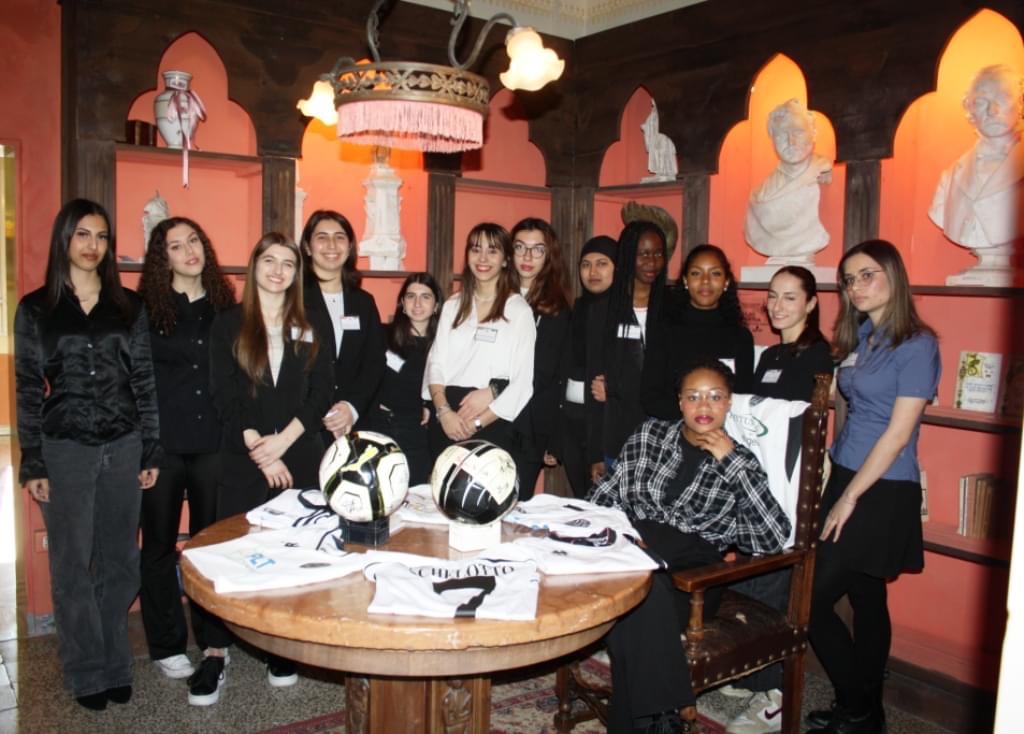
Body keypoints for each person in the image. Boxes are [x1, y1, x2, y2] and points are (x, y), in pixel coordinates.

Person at [589, 358, 791, 734]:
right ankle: (660, 720)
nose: (703, 406)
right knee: (639, 592)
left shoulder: (742, 462)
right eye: (693, 396)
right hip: (632, 553)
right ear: (680, 402)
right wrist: (607, 533)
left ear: (728, 403)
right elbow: (604, 497)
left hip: (694, 577)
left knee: (638, 597)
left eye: (714, 396)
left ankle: (659, 719)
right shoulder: (649, 435)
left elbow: (772, 536)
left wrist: (731, 461)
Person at [15, 199, 161, 710]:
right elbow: (27, 387)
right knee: (73, 565)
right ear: (64, 240)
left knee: (121, 563)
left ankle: (116, 663)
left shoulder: (129, 307)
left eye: (101, 236)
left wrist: (150, 449)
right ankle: (84, 669)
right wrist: (33, 458)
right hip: (65, 451)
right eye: (82, 234)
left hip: (123, 446)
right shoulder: (36, 308)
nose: (92, 245)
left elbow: (144, 382)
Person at [189, 232, 334, 706]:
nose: (278, 271)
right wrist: (259, 448)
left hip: (300, 456)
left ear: (297, 273)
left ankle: (280, 647)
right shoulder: (228, 323)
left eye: (287, 263)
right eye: (269, 261)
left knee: (292, 553)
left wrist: (283, 443)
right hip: (243, 456)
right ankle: (215, 651)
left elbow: (322, 391)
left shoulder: (311, 324)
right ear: (254, 267)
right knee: (231, 551)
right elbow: (223, 394)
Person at [807, 240, 940, 734]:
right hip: (847, 472)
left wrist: (849, 497)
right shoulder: (865, 335)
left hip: (880, 486)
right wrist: (835, 476)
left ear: (893, 275)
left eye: (867, 275)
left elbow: (898, 433)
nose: (856, 287)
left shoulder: (918, 344)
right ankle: (869, 713)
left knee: (811, 600)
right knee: (867, 596)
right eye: (849, 279)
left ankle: (856, 704)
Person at [722, 265, 833, 734]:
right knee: (751, 578)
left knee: (775, 585)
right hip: (758, 482)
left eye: (790, 297)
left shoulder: (819, 356)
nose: (778, 305)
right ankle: (752, 671)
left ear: (811, 303)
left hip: (791, 487)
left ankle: (776, 694)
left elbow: (805, 423)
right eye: (773, 295)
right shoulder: (770, 354)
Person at [137, 217, 235, 681]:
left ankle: (214, 640)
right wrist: (144, 447)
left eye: (193, 240)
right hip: (164, 446)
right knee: (158, 545)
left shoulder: (225, 307)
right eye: (175, 246)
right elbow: (137, 382)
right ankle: (166, 643)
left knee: (209, 543)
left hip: (214, 441)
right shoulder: (145, 310)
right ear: (164, 259)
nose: (189, 250)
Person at [424, 223, 536, 480]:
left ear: (506, 260)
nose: (482, 258)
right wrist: (444, 412)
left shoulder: (518, 311)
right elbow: (436, 364)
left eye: (492, 251)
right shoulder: (452, 305)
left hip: (492, 422)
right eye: (476, 249)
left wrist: (476, 424)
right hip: (447, 419)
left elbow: (522, 383)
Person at [928, 65, 1023, 285]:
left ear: (1021, 103)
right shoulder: (949, 177)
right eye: (981, 101)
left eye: (1003, 97)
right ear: (970, 109)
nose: (993, 110)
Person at [299, 210, 386, 440]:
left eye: (339, 237)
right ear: (307, 247)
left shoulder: (363, 302)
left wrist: (351, 407)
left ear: (349, 247)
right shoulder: (292, 300)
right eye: (322, 237)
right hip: (302, 425)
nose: (331, 245)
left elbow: (374, 362)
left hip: (354, 422)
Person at [643, 244, 754, 419]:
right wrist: (694, 423)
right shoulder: (664, 331)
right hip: (673, 427)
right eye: (696, 273)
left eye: (715, 273)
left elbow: (742, 396)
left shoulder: (741, 337)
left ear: (726, 282)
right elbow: (651, 397)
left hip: (724, 429)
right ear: (685, 281)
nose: (705, 281)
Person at [596, 220, 668, 475]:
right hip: (619, 432)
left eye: (658, 254)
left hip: (664, 431)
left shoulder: (673, 306)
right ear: (628, 255)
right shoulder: (606, 308)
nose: (652, 262)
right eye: (643, 254)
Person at [509, 218, 572, 498]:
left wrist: (553, 439)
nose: (527, 256)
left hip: (531, 424)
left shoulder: (556, 307)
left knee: (515, 501)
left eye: (537, 249)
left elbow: (550, 374)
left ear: (549, 256)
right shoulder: (495, 296)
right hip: (489, 416)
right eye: (520, 247)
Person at [372, 273, 443, 485]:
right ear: (402, 303)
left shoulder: (443, 345)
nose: (417, 303)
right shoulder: (382, 335)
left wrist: (429, 405)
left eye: (425, 297)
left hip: (417, 436)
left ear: (436, 305)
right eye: (411, 296)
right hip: (380, 429)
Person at [743, 99, 832, 262]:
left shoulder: (819, 169)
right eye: (781, 134)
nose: (791, 141)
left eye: (798, 131)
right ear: (772, 139)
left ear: (813, 133)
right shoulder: (759, 194)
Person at [561, 235, 616, 497]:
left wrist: (614, 387)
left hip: (605, 423)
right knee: (581, 499)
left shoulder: (624, 311)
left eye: (602, 263)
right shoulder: (578, 308)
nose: (593, 272)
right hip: (572, 421)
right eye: (586, 264)